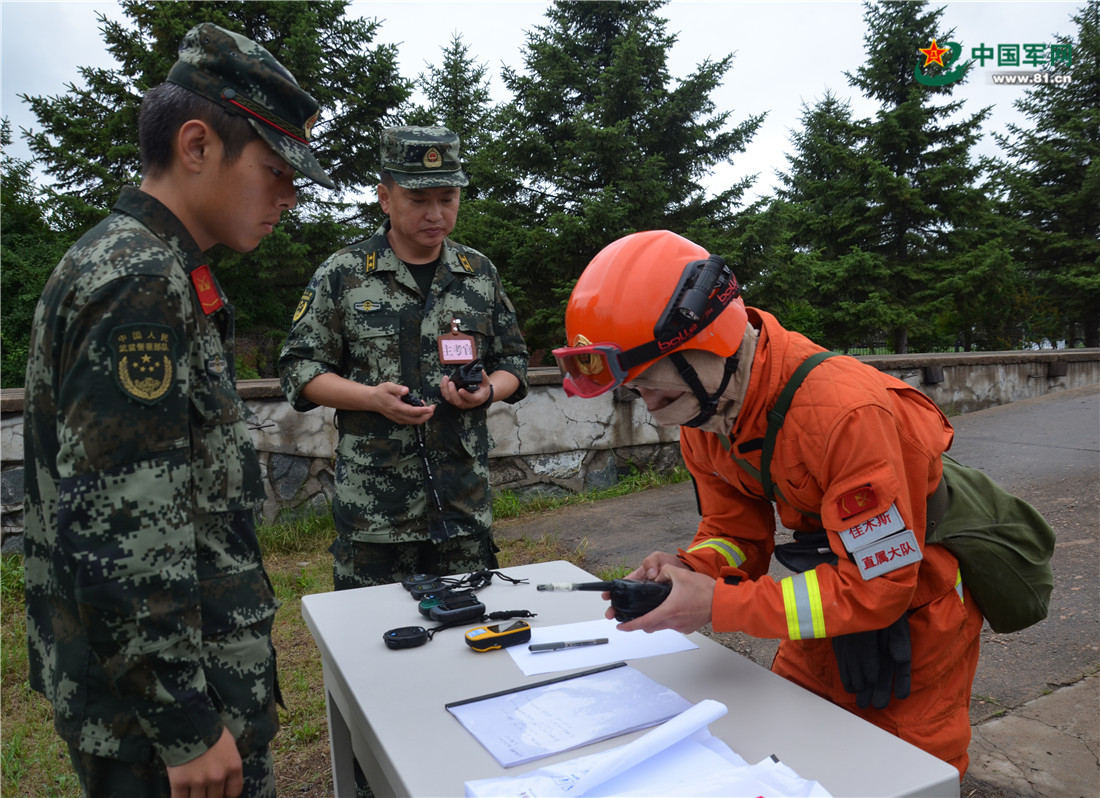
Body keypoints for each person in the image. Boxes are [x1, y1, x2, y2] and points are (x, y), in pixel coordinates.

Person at [22, 22, 335, 798]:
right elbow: (121, 533)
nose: (289, 197)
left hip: (168, 706)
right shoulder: (139, 281)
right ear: (197, 146)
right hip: (163, 731)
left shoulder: (150, 265)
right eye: (275, 170)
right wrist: (183, 723)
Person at [552, 230, 984, 777]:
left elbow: (879, 587)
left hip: (918, 613)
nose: (657, 415)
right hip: (822, 599)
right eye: (639, 396)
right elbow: (735, 532)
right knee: (790, 755)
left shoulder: (844, 415)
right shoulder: (707, 408)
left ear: (711, 345)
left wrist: (717, 605)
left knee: (906, 775)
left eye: (661, 394)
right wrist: (689, 571)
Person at [279, 125, 529, 590]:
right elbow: (299, 370)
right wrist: (371, 398)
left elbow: (513, 361)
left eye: (448, 197)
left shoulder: (478, 274)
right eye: (418, 200)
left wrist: (488, 391)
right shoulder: (344, 274)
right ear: (385, 198)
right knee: (374, 650)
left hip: (463, 509)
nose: (436, 213)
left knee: (470, 645)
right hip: (377, 515)